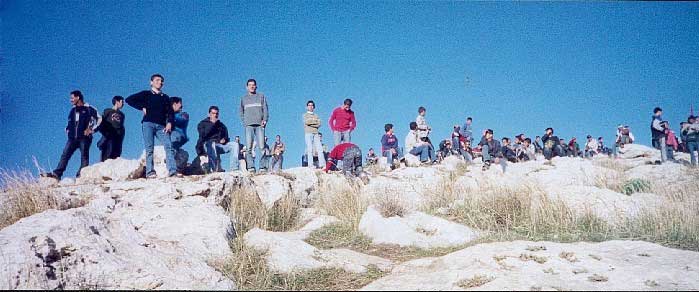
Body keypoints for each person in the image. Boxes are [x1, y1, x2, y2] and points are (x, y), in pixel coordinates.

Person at [125, 74, 179, 178]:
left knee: (169, 145)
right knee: (149, 148)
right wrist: (142, 107)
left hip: (161, 126)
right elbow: (129, 100)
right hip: (148, 124)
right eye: (157, 80)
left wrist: (169, 123)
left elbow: (170, 112)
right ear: (151, 82)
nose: (160, 82)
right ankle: (150, 172)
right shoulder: (146, 94)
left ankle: (172, 171)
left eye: (162, 81)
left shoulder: (165, 97)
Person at [41, 90, 101, 180]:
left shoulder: (89, 108)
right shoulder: (72, 110)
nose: (71, 100)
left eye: (72, 98)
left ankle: (81, 176)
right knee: (65, 155)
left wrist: (92, 130)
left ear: (78, 97)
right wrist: (67, 129)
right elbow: (71, 123)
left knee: (84, 157)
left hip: (84, 138)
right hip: (72, 138)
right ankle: (57, 174)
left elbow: (100, 119)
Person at [239, 79, 269, 173]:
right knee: (248, 147)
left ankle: (262, 167)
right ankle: (251, 167)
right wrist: (244, 121)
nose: (252, 86)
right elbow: (241, 111)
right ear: (247, 87)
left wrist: (265, 120)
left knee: (262, 146)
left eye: (253, 85)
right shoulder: (243, 98)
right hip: (249, 125)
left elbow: (265, 109)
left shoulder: (261, 96)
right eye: (250, 85)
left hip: (260, 125)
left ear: (256, 86)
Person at [196, 106, 236, 173]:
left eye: (216, 114)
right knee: (211, 144)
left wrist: (224, 140)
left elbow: (226, 136)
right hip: (208, 145)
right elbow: (203, 136)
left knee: (234, 145)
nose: (215, 115)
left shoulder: (221, 125)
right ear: (209, 114)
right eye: (213, 113)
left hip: (219, 145)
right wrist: (213, 125)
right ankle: (213, 169)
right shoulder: (202, 124)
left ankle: (234, 168)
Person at [97, 95, 125, 162]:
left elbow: (121, 125)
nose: (123, 104)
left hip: (118, 138)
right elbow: (101, 121)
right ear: (117, 102)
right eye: (122, 102)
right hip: (109, 136)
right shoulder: (108, 111)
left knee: (116, 156)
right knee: (107, 156)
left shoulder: (122, 115)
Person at [303, 100, 325, 169]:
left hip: (316, 133)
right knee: (310, 149)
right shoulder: (305, 115)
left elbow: (319, 123)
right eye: (309, 105)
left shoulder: (316, 115)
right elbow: (307, 122)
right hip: (308, 133)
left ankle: (322, 164)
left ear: (314, 107)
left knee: (320, 149)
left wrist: (312, 122)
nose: (310, 107)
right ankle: (310, 164)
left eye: (312, 105)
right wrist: (314, 122)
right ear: (307, 107)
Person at [170, 97, 190, 172]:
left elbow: (180, 119)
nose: (181, 107)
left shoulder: (184, 115)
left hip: (179, 135)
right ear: (174, 104)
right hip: (172, 136)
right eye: (180, 105)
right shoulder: (170, 115)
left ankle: (172, 166)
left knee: (173, 143)